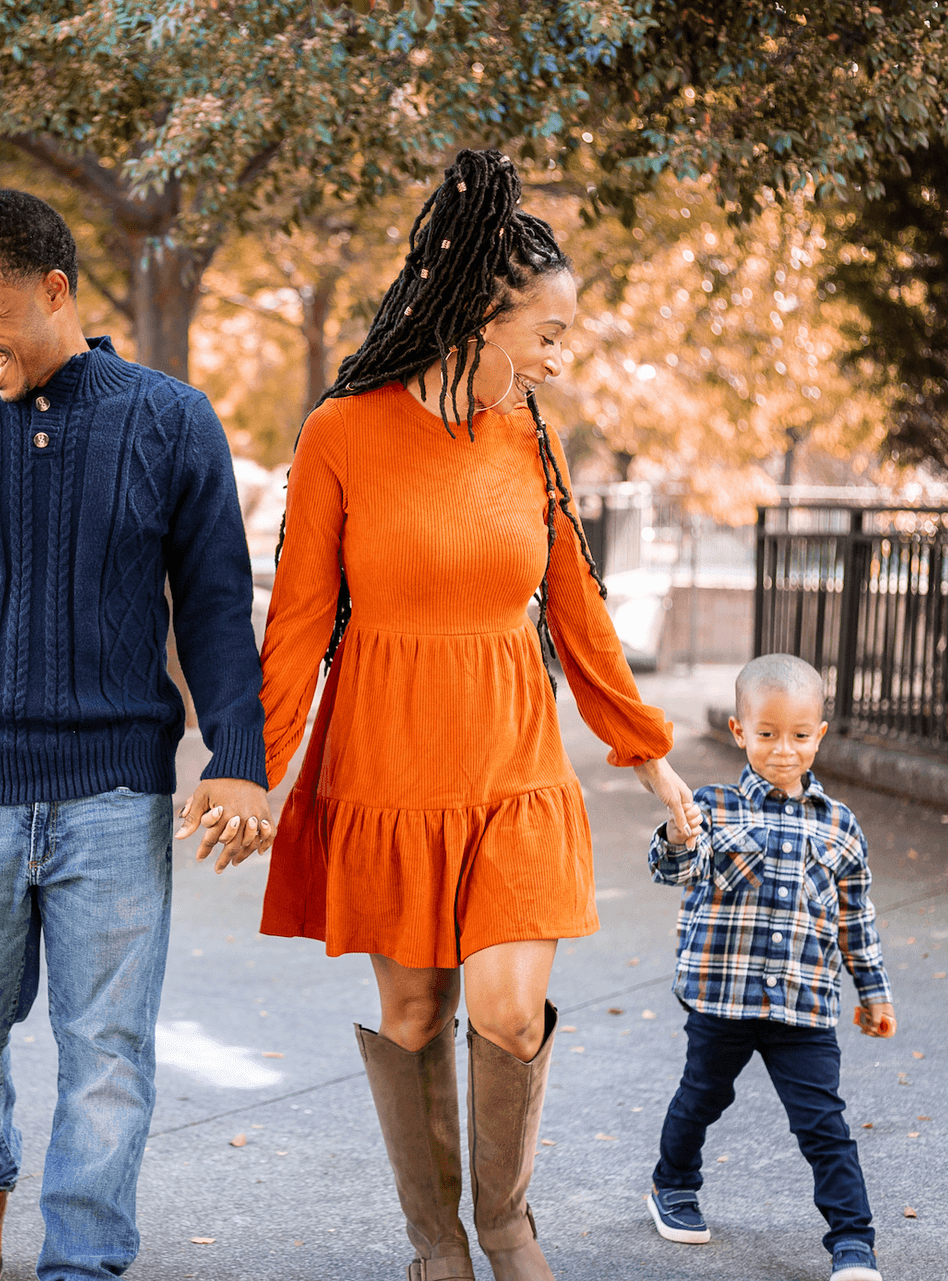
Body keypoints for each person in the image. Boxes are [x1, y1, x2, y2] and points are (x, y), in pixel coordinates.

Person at [255, 149, 701, 1281]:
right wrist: (257, 770)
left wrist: (649, 756)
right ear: (480, 317)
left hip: (512, 766)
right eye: (547, 335)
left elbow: (579, 609)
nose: (560, 358)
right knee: (414, 1020)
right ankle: (433, 1247)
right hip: (386, 761)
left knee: (506, 1017)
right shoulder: (341, 433)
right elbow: (300, 620)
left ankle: (505, 1228)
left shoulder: (529, 438)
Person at [0, 188, 274, 1281]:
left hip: (115, 794)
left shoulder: (171, 420)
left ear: (54, 290)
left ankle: (84, 1260)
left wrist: (240, 759)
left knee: (108, 1054)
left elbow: (216, 606)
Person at [644, 652, 896, 1281]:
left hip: (803, 1006)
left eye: (800, 736)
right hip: (722, 1000)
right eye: (767, 734)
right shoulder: (713, 807)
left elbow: (855, 919)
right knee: (701, 1098)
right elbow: (672, 870)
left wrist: (873, 992)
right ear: (739, 732)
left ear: (820, 736)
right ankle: (672, 1184)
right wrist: (678, 836)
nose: (784, 751)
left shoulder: (840, 827)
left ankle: (853, 1242)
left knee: (824, 1125)